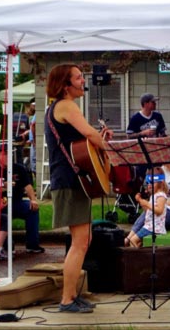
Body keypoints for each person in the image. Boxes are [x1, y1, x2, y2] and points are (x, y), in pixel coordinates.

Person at [44, 63, 113, 314]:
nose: (83, 81)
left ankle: (72, 294)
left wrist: (98, 140)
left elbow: (83, 142)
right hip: (70, 182)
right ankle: (66, 300)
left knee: (84, 240)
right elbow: (89, 134)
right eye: (78, 77)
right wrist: (109, 149)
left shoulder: (59, 107)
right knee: (80, 242)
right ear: (65, 84)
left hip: (73, 180)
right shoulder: (66, 106)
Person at [0, 145, 44, 254]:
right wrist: (2, 185)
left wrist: (33, 199)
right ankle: (5, 246)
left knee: (32, 209)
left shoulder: (19, 168)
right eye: (4, 154)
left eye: (8, 154)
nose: (7, 156)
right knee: (0, 217)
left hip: (16, 202)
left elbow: (28, 186)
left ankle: (32, 244)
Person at [124, 168, 168, 248]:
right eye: (148, 183)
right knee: (139, 243)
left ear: (161, 182)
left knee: (133, 240)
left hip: (154, 228)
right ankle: (142, 256)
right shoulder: (154, 196)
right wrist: (140, 201)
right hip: (149, 226)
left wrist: (147, 203)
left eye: (152, 182)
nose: (149, 185)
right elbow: (148, 211)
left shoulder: (161, 196)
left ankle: (135, 258)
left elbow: (159, 211)